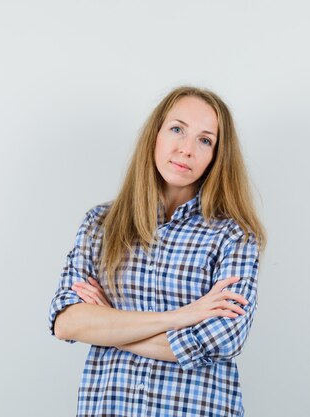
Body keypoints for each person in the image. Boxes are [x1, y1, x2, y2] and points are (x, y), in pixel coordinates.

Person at [48, 86, 266, 417]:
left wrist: (113, 331)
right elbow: (66, 322)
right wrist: (182, 317)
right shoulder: (100, 225)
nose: (186, 149)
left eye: (205, 140)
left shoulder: (233, 236)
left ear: (216, 157)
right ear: (156, 135)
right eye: (177, 129)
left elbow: (223, 340)